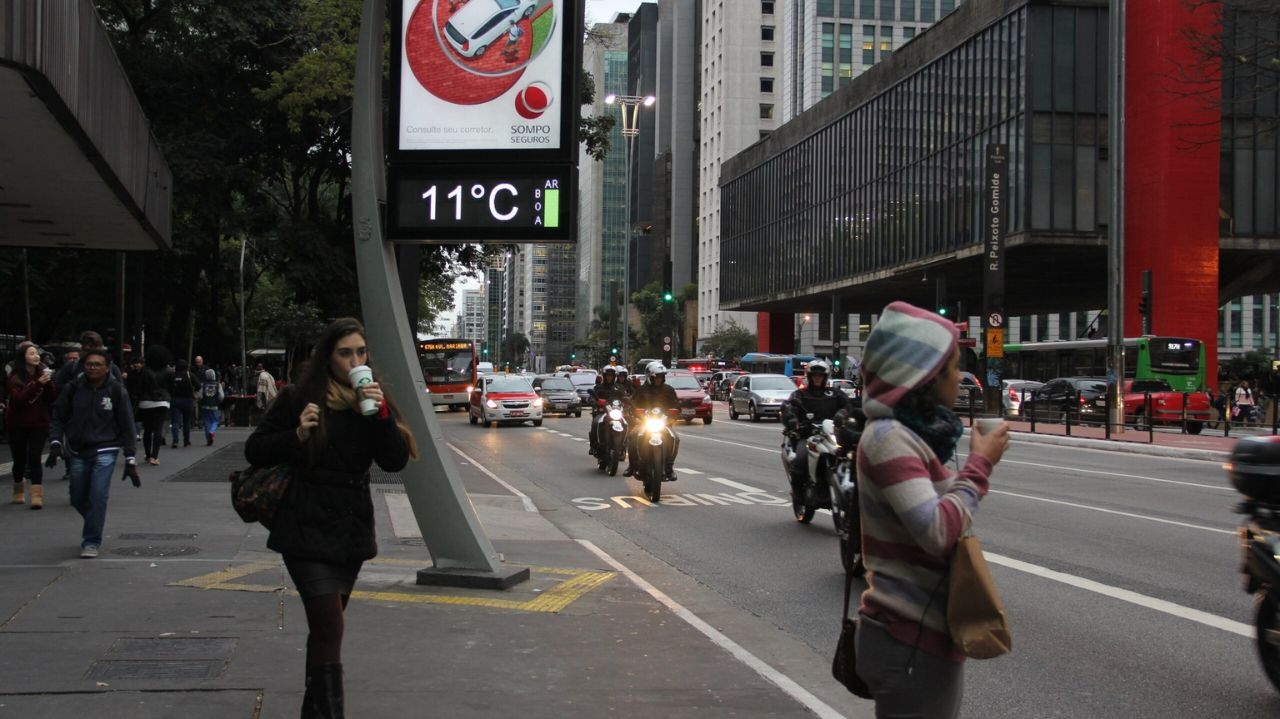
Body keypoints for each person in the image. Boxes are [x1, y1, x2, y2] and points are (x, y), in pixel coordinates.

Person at [245, 318, 416, 719]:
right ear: (329, 356)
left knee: (325, 629)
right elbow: (256, 450)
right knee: (330, 625)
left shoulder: (372, 399)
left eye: (361, 352)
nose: (355, 360)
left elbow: (393, 461)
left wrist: (381, 415)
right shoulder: (299, 397)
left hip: (350, 526)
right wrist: (297, 436)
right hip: (304, 522)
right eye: (345, 353)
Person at [853, 301, 1009, 717]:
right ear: (924, 375)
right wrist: (980, 465)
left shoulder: (908, 435)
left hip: (921, 638)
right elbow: (937, 531)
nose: (959, 377)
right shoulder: (888, 438)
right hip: (909, 641)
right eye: (953, 366)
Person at [45, 347, 140, 558]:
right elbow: (58, 416)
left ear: (107, 368)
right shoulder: (73, 388)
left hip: (106, 447)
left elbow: (127, 424)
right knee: (77, 497)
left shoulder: (116, 390)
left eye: (98, 364)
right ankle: (94, 519)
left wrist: (130, 457)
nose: (93, 368)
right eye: (89, 364)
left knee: (98, 494)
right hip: (77, 448)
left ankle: (91, 540)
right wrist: (55, 443)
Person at [781, 359, 854, 489]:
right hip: (808, 435)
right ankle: (798, 494)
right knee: (801, 459)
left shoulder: (835, 394)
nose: (817, 378)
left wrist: (843, 414)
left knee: (851, 455)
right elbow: (788, 407)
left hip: (832, 434)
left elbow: (849, 405)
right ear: (809, 376)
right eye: (814, 375)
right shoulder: (800, 394)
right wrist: (792, 420)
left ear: (825, 377)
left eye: (820, 376)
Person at [5, 342, 57, 508]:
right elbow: (19, 400)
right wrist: (38, 384)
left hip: (39, 422)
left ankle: (36, 495)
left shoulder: (43, 373)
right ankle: (18, 489)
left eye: (37, 353)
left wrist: (47, 383)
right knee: (19, 458)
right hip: (18, 423)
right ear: (23, 358)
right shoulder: (14, 377)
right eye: (31, 353)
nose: (36, 356)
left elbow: (51, 398)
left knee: (35, 457)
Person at [623, 362, 681, 480]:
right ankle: (632, 465)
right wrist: (634, 411)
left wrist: (673, 414)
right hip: (644, 422)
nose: (659, 380)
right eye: (656, 377)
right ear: (650, 377)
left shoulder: (668, 390)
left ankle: (669, 467)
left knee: (675, 438)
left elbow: (676, 406)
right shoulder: (641, 390)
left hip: (663, 422)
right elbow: (633, 404)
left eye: (661, 377)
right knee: (632, 436)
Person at [135, 347, 173, 465]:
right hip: (162, 401)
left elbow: (139, 386)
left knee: (147, 429)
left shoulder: (144, 371)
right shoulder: (168, 371)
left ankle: (147, 454)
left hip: (146, 401)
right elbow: (171, 387)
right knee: (158, 429)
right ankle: (154, 456)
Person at [587, 366, 629, 456]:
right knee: (596, 422)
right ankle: (593, 445)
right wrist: (594, 401)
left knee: (626, 424)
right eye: (608, 375)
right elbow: (592, 398)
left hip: (617, 412)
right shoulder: (599, 387)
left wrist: (629, 403)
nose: (609, 377)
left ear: (614, 377)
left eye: (611, 375)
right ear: (604, 376)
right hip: (603, 412)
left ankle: (623, 446)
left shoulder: (619, 388)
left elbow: (625, 398)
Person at [167, 358, 199, 448]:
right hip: (188, 400)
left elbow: (168, 387)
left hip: (175, 400)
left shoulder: (173, 375)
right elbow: (198, 385)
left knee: (175, 421)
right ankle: (186, 441)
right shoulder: (189, 375)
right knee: (187, 422)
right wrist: (194, 392)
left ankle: (175, 440)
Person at [200, 368, 226, 445]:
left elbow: (201, 396)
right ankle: (212, 431)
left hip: (205, 405)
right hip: (214, 405)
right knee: (215, 421)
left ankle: (208, 439)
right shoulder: (218, 384)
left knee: (207, 422)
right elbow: (221, 396)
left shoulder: (203, 385)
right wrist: (219, 401)